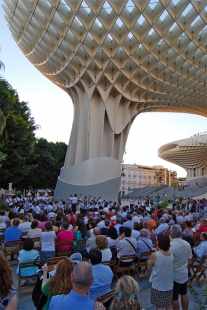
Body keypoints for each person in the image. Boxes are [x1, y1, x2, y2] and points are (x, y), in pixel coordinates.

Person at [148, 234, 174, 310]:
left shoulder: (155, 255)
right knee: (168, 305)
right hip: (168, 283)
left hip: (158, 284)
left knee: (159, 306)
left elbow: (149, 267)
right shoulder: (171, 253)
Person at [170, 225, 192, 310]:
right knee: (184, 294)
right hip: (184, 272)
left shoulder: (171, 246)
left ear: (172, 234)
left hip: (175, 275)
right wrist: (184, 265)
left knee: (174, 298)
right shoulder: (187, 244)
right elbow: (190, 258)